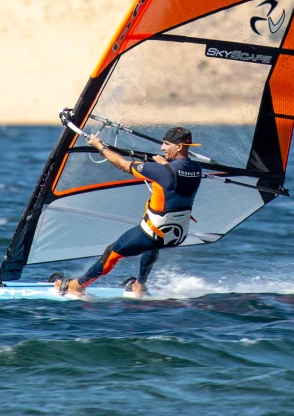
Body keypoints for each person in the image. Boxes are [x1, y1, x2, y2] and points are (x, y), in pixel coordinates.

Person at [53, 126, 202, 297]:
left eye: (166, 144)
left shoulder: (161, 171)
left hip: (152, 232)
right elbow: (176, 174)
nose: (162, 148)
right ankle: (139, 285)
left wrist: (99, 146)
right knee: (152, 246)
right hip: (177, 235)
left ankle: (77, 286)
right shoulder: (196, 169)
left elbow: (123, 165)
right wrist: (164, 164)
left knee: (112, 252)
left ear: (179, 147)